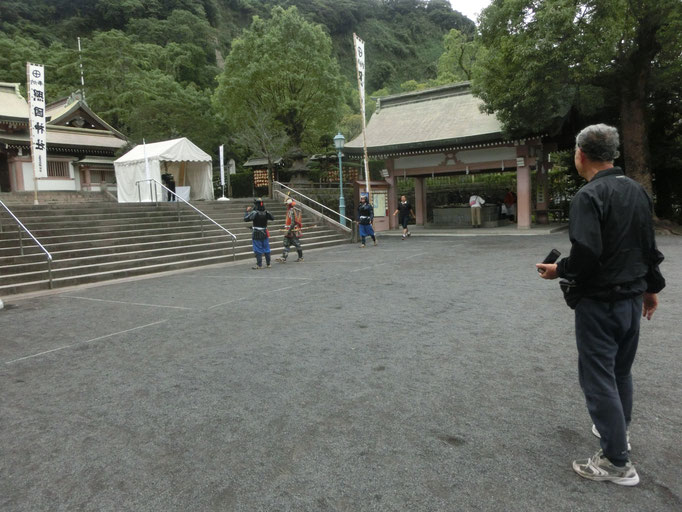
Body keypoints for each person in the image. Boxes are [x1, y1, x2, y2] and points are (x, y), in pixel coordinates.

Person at [536, 124, 665, 486]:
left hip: (600, 301)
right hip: (630, 299)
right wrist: (651, 288)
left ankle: (616, 461)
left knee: (597, 377)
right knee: (620, 371)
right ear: (612, 154)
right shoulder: (637, 191)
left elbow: (588, 253)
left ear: (580, 154)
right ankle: (617, 433)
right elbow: (648, 245)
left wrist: (558, 269)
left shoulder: (589, 196)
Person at [244, 198, 274, 269]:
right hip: (264, 232)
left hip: (257, 233)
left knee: (257, 248)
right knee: (266, 248)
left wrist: (247, 212)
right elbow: (272, 218)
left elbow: (246, 219)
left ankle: (259, 265)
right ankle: (268, 264)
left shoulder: (254, 213)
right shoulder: (266, 212)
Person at [276, 198, 304, 263]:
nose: (285, 205)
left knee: (297, 244)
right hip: (289, 230)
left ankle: (300, 257)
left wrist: (288, 231)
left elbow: (293, 222)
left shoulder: (291, 211)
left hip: (292, 231)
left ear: (288, 205)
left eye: (286, 204)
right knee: (286, 244)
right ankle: (283, 258)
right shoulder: (291, 210)